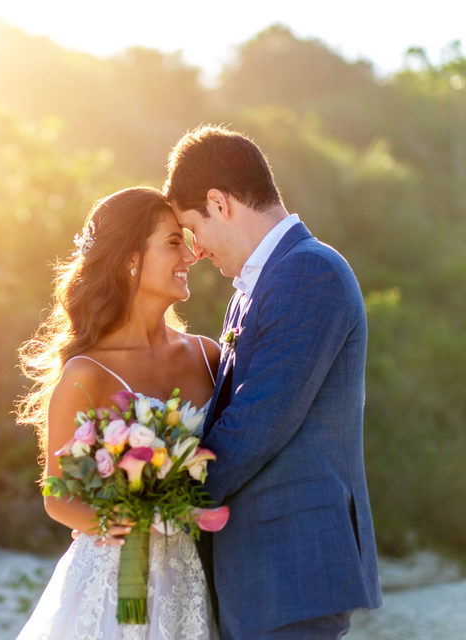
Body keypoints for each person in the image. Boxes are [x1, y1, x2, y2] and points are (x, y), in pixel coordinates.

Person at [163, 125, 383, 639]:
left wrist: (166, 503)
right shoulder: (250, 289)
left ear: (219, 203)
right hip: (257, 564)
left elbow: (258, 421)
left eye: (192, 229)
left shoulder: (311, 271)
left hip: (293, 561)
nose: (194, 251)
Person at [15, 186, 221, 640]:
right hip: (114, 583)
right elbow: (56, 493)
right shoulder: (87, 373)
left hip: (197, 577)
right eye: (172, 242)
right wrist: (118, 518)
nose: (190, 255)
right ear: (131, 258)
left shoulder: (209, 356)